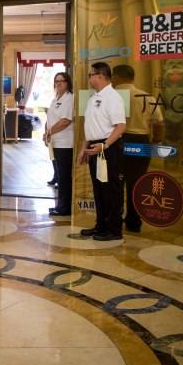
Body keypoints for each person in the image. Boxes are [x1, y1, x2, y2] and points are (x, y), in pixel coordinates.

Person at [112, 65, 164, 233]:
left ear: (117, 77)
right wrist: (155, 141)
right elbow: (159, 123)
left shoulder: (111, 97)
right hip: (141, 141)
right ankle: (134, 222)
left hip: (118, 141)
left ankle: (114, 219)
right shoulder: (147, 97)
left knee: (116, 182)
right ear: (132, 78)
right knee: (136, 183)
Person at [78, 62, 126, 241]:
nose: (89, 78)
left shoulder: (113, 97)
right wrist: (84, 148)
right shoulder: (93, 98)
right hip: (94, 146)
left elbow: (121, 126)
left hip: (108, 148)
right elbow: (90, 127)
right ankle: (101, 225)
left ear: (100, 75)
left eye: (91, 74)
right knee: (99, 190)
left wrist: (104, 145)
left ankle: (114, 230)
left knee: (111, 190)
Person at [45, 72, 74, 216]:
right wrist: (47, 133)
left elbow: (65, 121)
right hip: (55, 142)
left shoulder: (70, 98)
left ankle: (65, 208)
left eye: (62, 81)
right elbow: (50, 118)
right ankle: (60, 205)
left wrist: (49, 132)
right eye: (56, 81)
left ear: (68, 83)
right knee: (59, 176)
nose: (58, 83)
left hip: (65, 143)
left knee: (64, 177)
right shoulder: (55, 98)